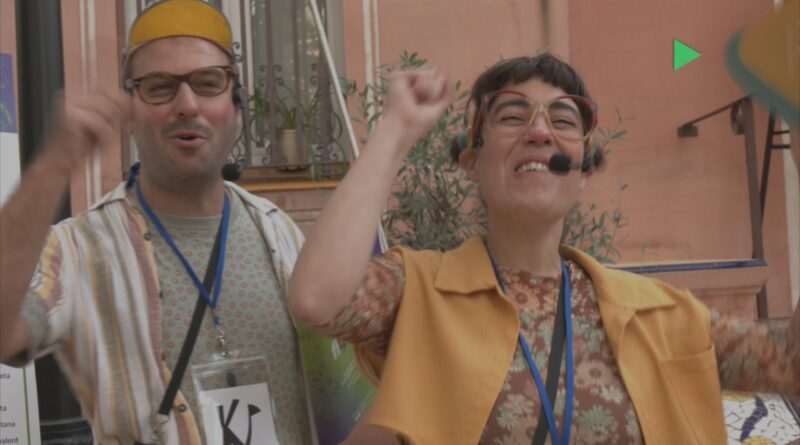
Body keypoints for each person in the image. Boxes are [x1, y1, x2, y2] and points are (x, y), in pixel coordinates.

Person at [288, 54, 800, 444]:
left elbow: (790, 363)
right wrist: (395, 130)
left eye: (564, 120)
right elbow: (317, 299)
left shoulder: (661, 315)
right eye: (512, 117)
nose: (539, 131)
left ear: (584, 169)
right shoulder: (417, 291)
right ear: (472, 162)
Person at [0, 0, 313, 443]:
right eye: (160, 87)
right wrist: (51, 168)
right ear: (129, 112)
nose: (187, 104)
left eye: (209, 83)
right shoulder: (78, 249)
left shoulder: (280, 231)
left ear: (237, 106)